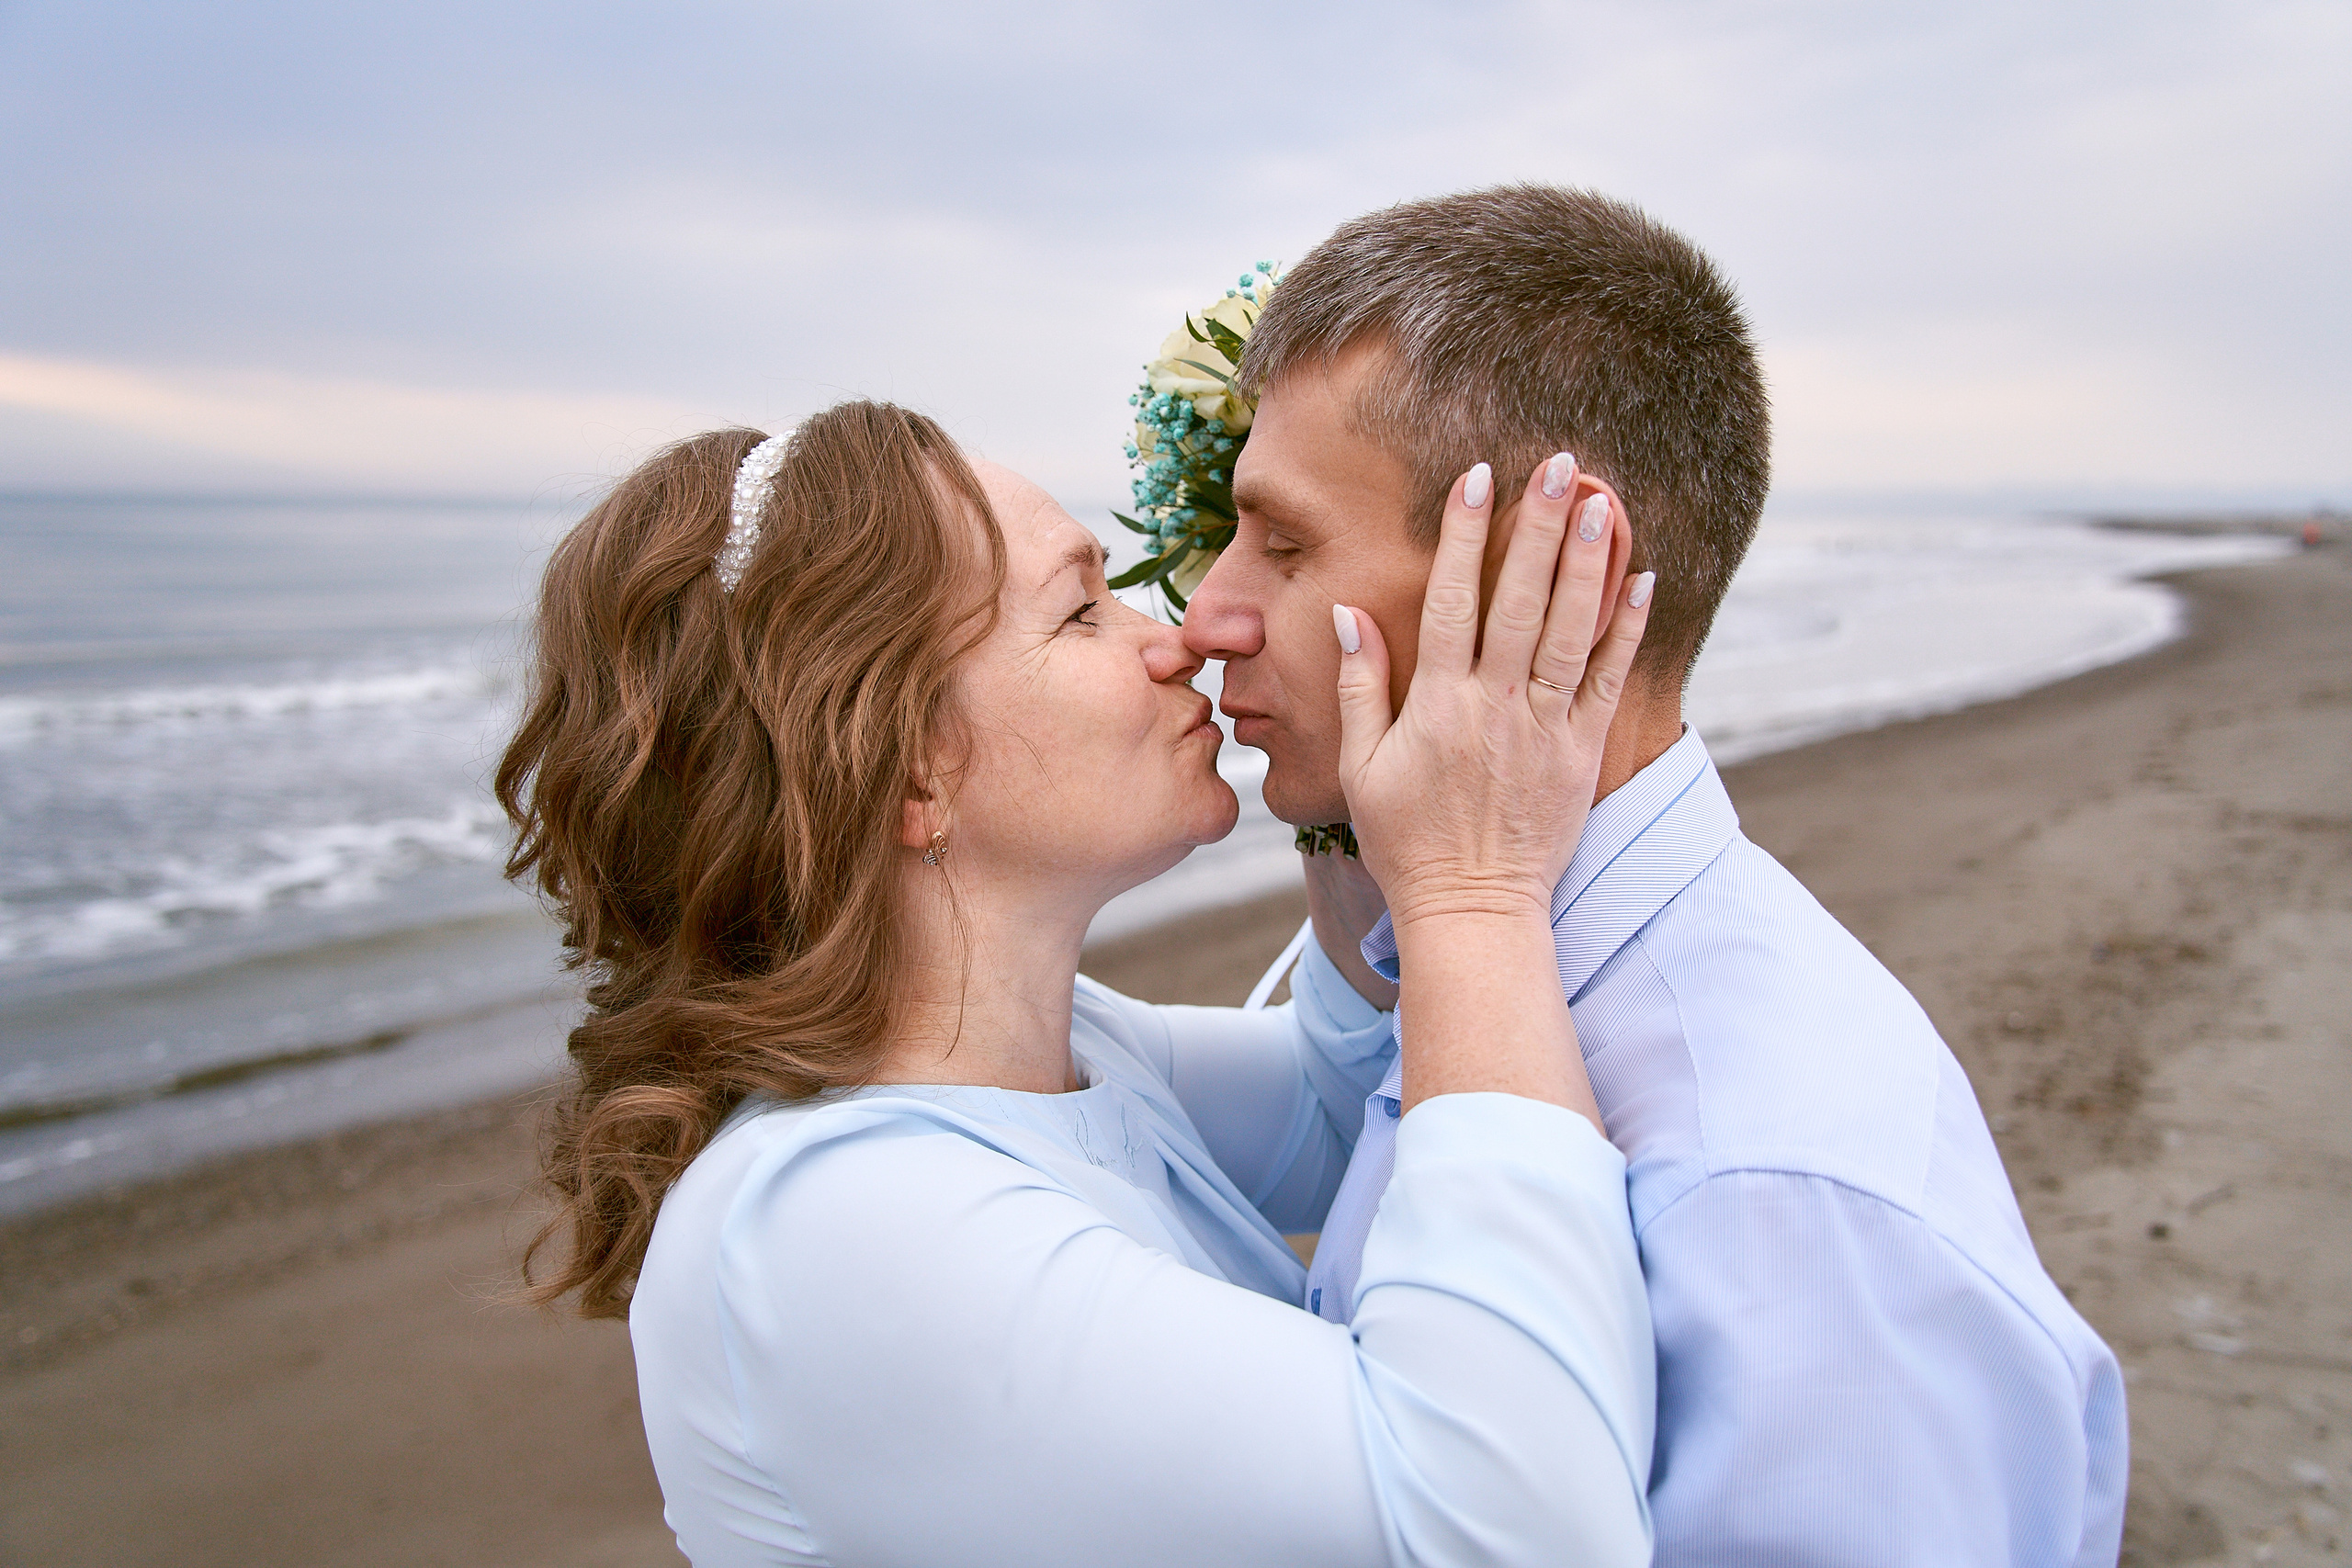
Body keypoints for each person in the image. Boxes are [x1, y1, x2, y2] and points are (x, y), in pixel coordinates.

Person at [495, 399, 1662, 1566]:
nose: (1178, 639)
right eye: (1081, 610)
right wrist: (1471, 888)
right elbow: (1522, 1529)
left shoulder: (1044, 1055)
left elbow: (1336, 1103)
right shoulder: (843, 1228)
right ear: (905, 772)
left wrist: (1345, 776)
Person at [1182, 186, 2129, 1566]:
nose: (1207, 609)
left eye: (1282, 542)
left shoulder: (1773, 1190)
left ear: (1549, 568)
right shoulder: (1494, 963)